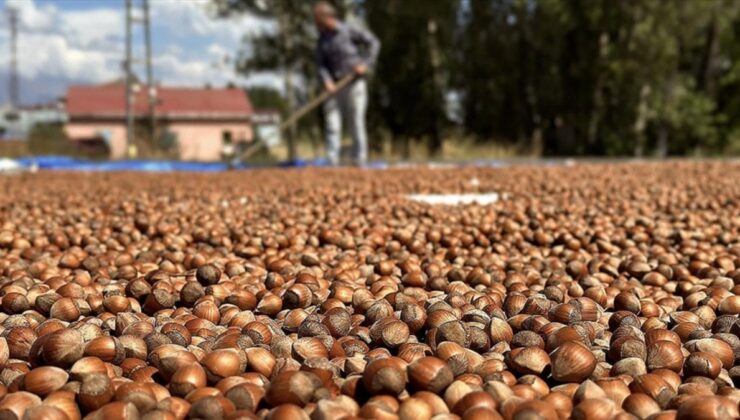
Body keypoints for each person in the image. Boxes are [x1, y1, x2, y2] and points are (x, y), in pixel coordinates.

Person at [314, 1, 380, 166]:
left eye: (318, 20)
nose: (316, 23)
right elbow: (321, 64)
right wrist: (327, 81)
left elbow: (374, 43)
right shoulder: (322, 40)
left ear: (328, 17)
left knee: (356, 121)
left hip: (354, 82)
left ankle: (359, 159)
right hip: (334, 86)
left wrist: (365, 64)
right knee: (332, 123)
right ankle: (332, 160)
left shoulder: (349, 31)